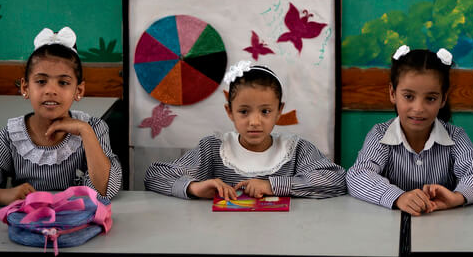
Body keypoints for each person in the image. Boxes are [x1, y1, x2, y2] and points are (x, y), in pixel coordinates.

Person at [0, 27, 122, 212]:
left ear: (78, 91)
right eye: (41, 81)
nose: (50, 90)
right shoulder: (12, 136)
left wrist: (85, 131)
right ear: (25, 87)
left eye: (63, 82)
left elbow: (105, 190)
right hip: (28, 229)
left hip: (78, 227)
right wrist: (4, 195)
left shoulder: (94, 128)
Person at [143, 61, 345, 199]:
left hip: (286, 237)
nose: (254, 122)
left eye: (265, 111)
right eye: (244, 111)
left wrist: (272, 186)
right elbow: (155, 175)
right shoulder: (214, 148)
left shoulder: (295, 149)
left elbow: (336, 180)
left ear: (279, 111)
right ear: (229, 111)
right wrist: (194, 187)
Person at [346, 46, 473, 215]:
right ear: (392, 93)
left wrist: (456, 197)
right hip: (388, 231)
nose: (418, 108)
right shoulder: (379, 135)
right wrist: (399, 197)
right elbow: (357, 176)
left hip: (443, 229)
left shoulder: (456, 137)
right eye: (408, 96)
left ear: (443, 99)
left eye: (430, 98)